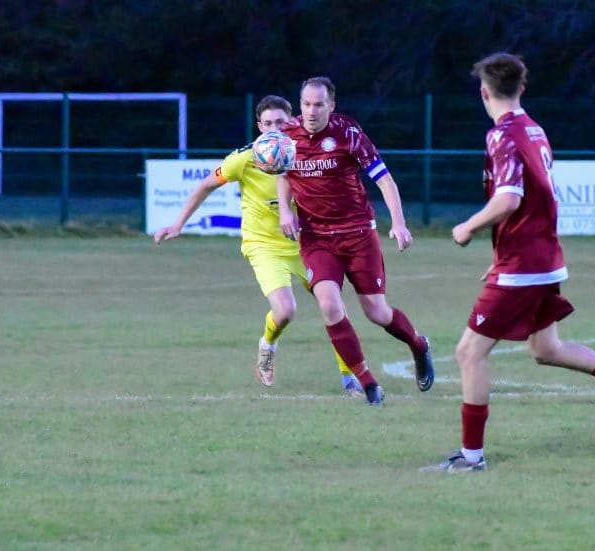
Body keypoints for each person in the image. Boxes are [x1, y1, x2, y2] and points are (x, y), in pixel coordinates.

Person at [424, 52, 595, 473]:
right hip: (539, 257)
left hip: (525, 263)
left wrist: (468, 226)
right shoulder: (534, 129)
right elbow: (535, 202)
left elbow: (509, 199)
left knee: (469, 353)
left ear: (484, 92)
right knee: (546, 348)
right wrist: (503, 257)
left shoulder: (502, 134)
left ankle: (471, 457)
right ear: (522, 88)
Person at [154, 95, 365, 397]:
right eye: (268, 123)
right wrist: (177, 224)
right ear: (259, 127)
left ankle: (350, 379)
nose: (274, 129)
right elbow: (205, 185)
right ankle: (267, 345)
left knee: (334, 307)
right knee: (286, 310)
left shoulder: (308, 152)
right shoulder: (245, 158)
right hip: (263, 245)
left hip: (307, 244)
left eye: (281, 122)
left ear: (292, 122)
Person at [276, 76, 435, 406]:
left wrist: (399, 223)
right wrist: (285, 211)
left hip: (358, 233)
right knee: (329, 305)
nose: (311, 111)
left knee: (376, 312)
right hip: (317, 237)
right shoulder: (287, 135)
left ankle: (418, 345)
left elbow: (384, 179)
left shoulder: (348, 133)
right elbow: (283, 173)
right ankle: (368, 384)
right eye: (306, 104)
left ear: (331, 106)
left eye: (319, 104)